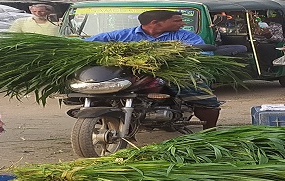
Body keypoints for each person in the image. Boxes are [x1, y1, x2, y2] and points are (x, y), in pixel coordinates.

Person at [85, 10, 222, 129]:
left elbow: (203, 54)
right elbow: (86, 43)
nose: (182, 24)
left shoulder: (185, 36)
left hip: (173, 73)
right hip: (134, 74)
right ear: (156, 23)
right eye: (177, 21)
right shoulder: (122, 35)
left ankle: (209, 130)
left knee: (206, 100)